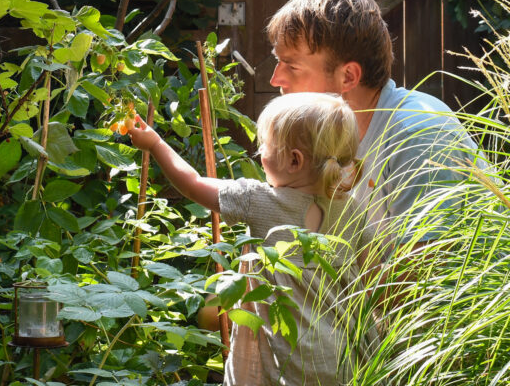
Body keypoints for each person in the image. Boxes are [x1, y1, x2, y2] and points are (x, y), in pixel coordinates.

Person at [129, 92, 377, 385]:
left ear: (294, 161)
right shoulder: (354, 211)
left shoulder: (260, 201)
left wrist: (156, 145)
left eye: (266, 147)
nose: (259, 153)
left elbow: (193, 185)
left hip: (288, 366)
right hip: (348, 362)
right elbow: (373, 280)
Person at [266, 0, 481, 258]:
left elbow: (418, 279)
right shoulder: (324, 137)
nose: (276, 80)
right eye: (277, 62)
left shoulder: (417, 134)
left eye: (292, 66)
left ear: (348, 77)